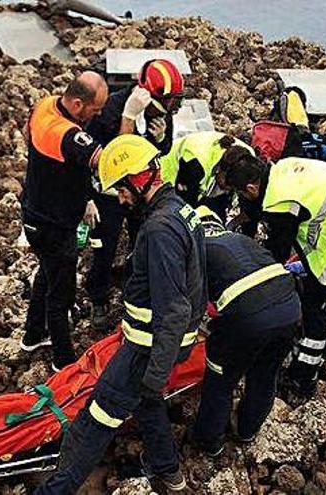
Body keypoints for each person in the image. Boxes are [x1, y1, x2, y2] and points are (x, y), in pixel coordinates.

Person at [37, 135, 207, 494]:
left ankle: (54, 490)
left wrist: (155, 373)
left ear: (140, 178)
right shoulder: (181, 211)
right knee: (147, 403)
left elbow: (173, 309)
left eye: (122, 189)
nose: (121, 197)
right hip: (159, 346)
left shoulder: (159, 230)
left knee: (96, 419)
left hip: (144, 351)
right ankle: (170, 474)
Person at [215, 153, 326, 397]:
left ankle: (304, 375)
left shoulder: (280, 202)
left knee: (318, 299)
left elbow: (277, 252)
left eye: (242, 194)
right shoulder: (282, 169)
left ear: (250, 187)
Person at [189, 207, 300, 456]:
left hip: (250, 316)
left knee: (220, 378)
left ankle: (209, 442)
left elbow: (190, 301)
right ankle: (247, 431)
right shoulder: (240, 240)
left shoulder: (196, 249)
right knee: (265, 372)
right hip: (290, 308)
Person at [84, 59, 185, 331]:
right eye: (170, 101)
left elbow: (158, 152)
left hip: (141, 194)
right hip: (110, 193)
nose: (171, 108)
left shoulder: (159, 113)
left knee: (142, 243)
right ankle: (98, 297)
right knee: (103, 248)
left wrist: (162, 139)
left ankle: (134, 287)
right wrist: (87, 198)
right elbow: (114, 154)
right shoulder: (112, 110)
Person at [20, 71, 107, 370]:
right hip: (54, 226)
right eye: (95, 110)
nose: (98, 115)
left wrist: (82, 196)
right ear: (78, 104)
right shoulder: (66, 133)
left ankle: (32, 336)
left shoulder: (45, 105)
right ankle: (63, 362)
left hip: (35, 213)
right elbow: (102, 159)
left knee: (46, 274)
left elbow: (32, 141)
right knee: (61, 296)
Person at [158, 131, 253, 220]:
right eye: (228, 186)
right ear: (221, 170)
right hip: (169, 174)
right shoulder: (196, 164)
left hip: (201, 174)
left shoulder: (248, 159)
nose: (228, 190)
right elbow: (186, 204)